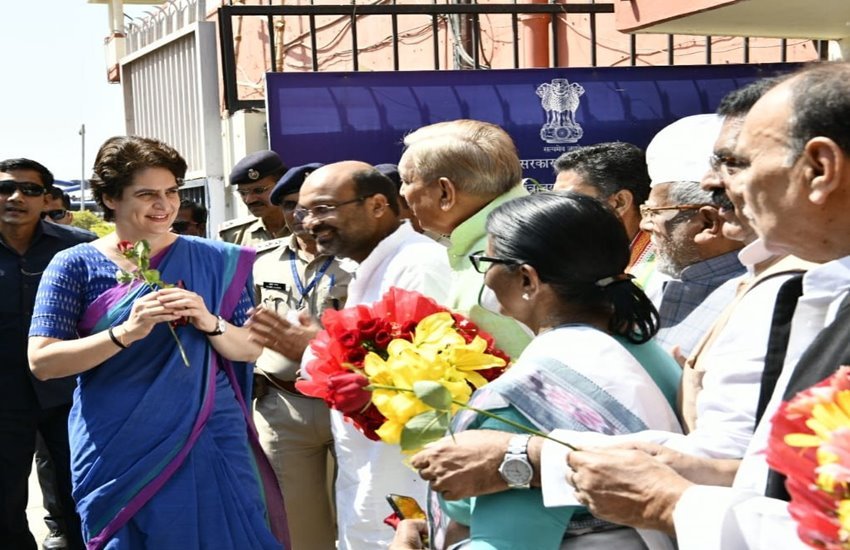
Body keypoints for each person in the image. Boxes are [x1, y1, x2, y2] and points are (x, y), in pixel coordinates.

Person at [565, 62, 850, 550]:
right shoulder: (822, 287)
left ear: (820, 169)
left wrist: (670, 504)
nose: (719, 186)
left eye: (738, 164)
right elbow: (769, 474)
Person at [27, 136, 288, 549]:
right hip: (117, 438)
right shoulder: (75, 263)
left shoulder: (218, 259)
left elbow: (250, 349)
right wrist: (124, 333)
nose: (164, 205)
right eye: (147, 194)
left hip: (209, 430)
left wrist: (209, 321)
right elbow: (43, 361)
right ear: (110, 198)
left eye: (171, 192)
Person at [424, 192, 680, 550]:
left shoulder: (525, 401)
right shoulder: (646, 349)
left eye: (488, 261)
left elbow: (507, 544)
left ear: (528, 280)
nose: (486, 278)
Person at [248, 160, 451, 549]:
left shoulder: (417, 267)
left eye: (323, 209)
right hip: (371, 475)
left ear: (377, 205)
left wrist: (312, 351)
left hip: (403, 479)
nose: (309, 223)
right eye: (304, 212)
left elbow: (420, 390)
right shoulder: (369, 268)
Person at [252, 162, 350, 550]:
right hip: (282, 404)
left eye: (313, 206)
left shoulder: (358, 259)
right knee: (296, 524)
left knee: (365, 512)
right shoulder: (260, 261)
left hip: (350, 403)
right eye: (291, 205)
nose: (301, 215)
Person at [0, 158, 92, 550]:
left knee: (81, 490)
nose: (16, 197)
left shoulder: (79, 249)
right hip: (3, 400)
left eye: (29, 190)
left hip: (71, 394)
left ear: (47, 199)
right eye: (5, 189)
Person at [398, 119, 532, 359]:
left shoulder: (504, 258)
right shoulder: (528, 230)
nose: (401, 193)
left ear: (445, 192)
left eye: (407, 181)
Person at [642, 114, 746, 357]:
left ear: (708, 222)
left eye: (654, 212)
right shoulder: (657, 278)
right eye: (644, 209)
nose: (644, 224)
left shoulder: (758, 300)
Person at [552, 142, 658, 297]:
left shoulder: (662, 269)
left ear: (619, 202)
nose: (557, 211)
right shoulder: (579, 255)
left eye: (570, 201)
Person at [219, 150, 289, 246]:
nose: (249, 200)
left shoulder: (306, 228)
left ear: (282, 185)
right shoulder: (233, 236)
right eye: (243, 193)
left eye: (259, 190)